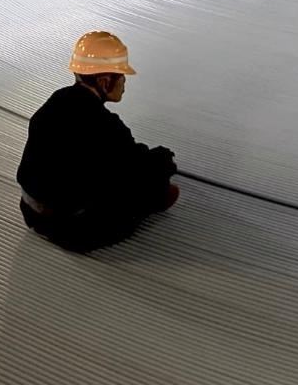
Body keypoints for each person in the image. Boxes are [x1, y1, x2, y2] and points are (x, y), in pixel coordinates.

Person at [16, 31, 179, 252]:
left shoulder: (55, 101)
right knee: (153, 183)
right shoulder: (105, 124)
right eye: (121, 76)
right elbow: (133, 163)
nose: (124, 83)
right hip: (73, 231)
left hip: (31, 213)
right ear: (104, 80)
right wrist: (163, 162)